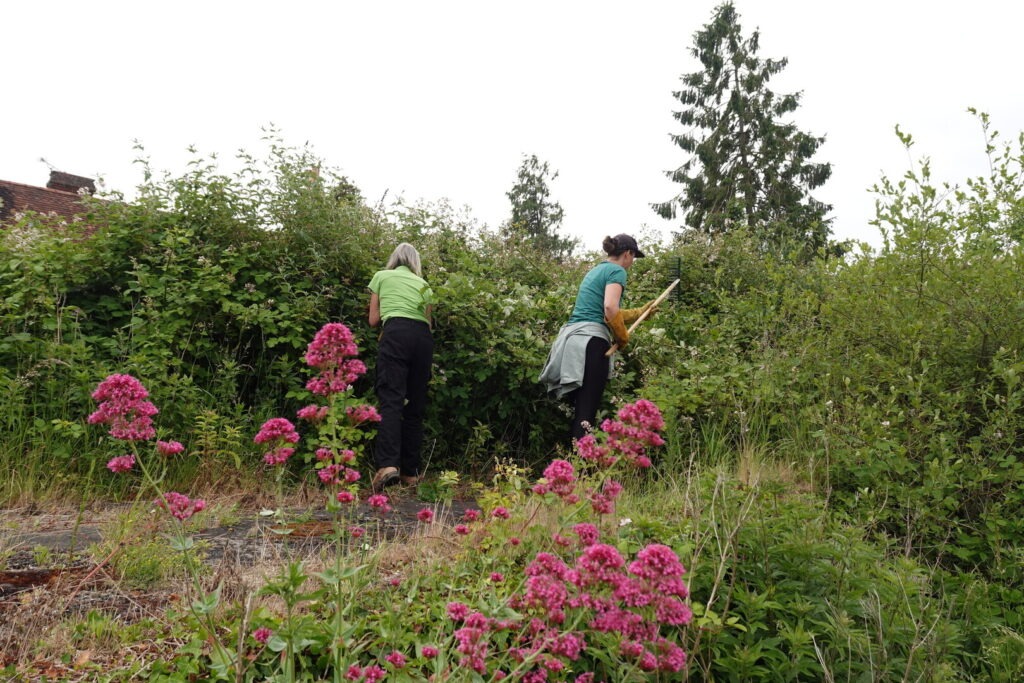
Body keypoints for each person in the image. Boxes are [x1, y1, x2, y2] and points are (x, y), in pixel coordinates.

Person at [539, 233, 654, 443]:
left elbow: (605, 311)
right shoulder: (617, 271)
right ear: (627, 254)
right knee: (587, 410)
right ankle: (581, 469)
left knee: (579, 409)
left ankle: (572, 462)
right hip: (591, 342)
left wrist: (639, 313)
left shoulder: (596, 270)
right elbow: (610, 308)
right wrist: (622, 336)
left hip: (572, 341)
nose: (632, 263)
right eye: (633, 257)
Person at [368, 243, 434, 491]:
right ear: (415, 262)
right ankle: (411, 473)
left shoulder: (382, 276)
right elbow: (428, 324)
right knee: (415, 405)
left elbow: (374, 320)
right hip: (422, 340)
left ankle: (388, 466)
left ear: (394, 259)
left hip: (395, 334)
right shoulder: (424, 285)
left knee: (392, 400)